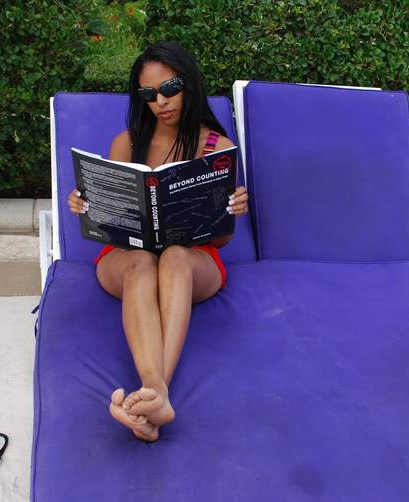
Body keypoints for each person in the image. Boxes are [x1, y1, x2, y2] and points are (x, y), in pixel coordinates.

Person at [67, 41, 249, 442]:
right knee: (143, 261)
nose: (161, 102)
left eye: (170, 88)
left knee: (174, 257)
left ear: (189, 84)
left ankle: (152, 394)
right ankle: (156, 395)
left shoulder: (218, 149)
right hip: (127, 257)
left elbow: (219, 240)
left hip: (193, 259)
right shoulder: (126, 143)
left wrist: (231, 210)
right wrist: (86, 203)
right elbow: (111, 223)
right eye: (149, 94)